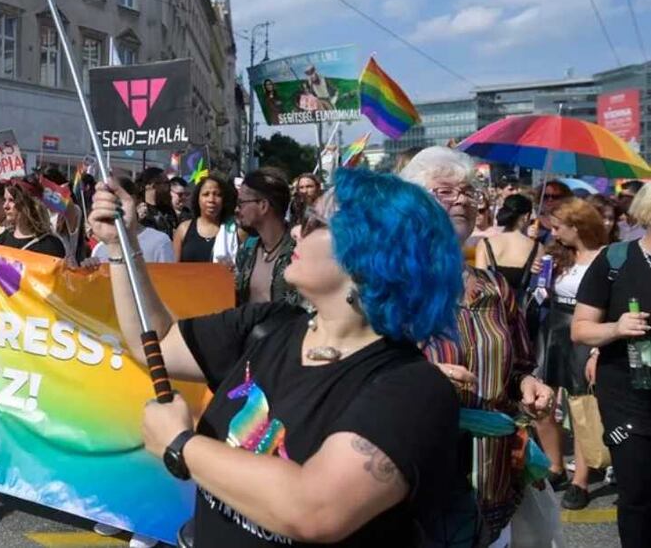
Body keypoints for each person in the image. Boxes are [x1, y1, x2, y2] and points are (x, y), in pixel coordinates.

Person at [88, 168, 467, 546]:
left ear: (370, 255)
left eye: (316, 222)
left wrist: (180, 444)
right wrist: (122, 246)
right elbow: (158, 341)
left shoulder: (412, 388)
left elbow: (315, 508)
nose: (298, 230)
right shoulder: (269, 325)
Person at [402, 147, 553, 544]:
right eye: (445, 191)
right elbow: (359, 368)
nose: (463, 201)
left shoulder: (493, 286)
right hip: (421, 481)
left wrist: (529, 386)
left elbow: (520, 364)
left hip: (493, 480)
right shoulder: (393, 285)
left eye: (469, 192)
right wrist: (422, 377)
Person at [0, 179, 67, 511]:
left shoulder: (51, 246)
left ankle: (37, 480)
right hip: (2, 340)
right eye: (3, 201)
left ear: (26, 205)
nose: (4, 206)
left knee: (28, 413)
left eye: (9, 201)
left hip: (34, 343)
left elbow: (58, 295)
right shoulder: (0, 240)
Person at [573, 182, 651, 547]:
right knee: (637, 494)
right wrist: (616, 329)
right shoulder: (615, 260)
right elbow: (580, 329)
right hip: (628, 394)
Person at [530, 198, 608, 509]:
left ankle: (582, 479)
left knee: (581, 407)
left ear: (577, 227)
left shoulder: (606, 257)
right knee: (543, 402)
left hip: (585, 331)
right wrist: (538, 273)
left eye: (559, 228)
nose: (555, 233)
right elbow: (539, 293)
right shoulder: (555, 254)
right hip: (553, 328)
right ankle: (555, 465)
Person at [234, 169, 296, 306]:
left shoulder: (300, 252)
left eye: (241, 203)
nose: (237, 210)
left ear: (263, 206)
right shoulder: (246, 251)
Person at [92, 178, 174, 264]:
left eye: (118, 199)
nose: (111, 205)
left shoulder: (160, 242)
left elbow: (168, 276)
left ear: (135, 199)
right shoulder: (100, 249)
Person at [475, 194, 541, 299]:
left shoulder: (485, 243)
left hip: (493, 308)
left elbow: (480, 282)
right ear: (526, 217)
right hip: (521, 311)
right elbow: (540, 285)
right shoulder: (537, 247)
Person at [173, 175, 238, 264]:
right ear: (198, 199)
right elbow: (172, 268)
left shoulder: (233, 230)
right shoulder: (183, 229)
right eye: (206, 194)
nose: (211, 200)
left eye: (218, 195)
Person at [0, 181, 66, 258]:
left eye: (11, 200)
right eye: (5, 200)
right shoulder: (2, 240)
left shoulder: (51, 246)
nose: (5, 206)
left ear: (28, 205)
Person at [136, 167, 177, 239]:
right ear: (152, 185)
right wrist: (138, 220)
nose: (168, 187)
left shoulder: (168, 211)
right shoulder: (138, 209)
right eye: (166, 183)